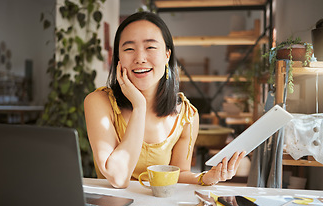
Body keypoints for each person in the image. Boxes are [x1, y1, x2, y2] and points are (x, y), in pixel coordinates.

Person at [84, 11, 245, 189]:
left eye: (150, 47)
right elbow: (118, 177)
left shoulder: (186, 115)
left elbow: (179, 173)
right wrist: (139, 106)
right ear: (118, 59)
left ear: (167, 55)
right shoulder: (99, 102)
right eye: (129, 49)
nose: (140, 58)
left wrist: (206, 177)